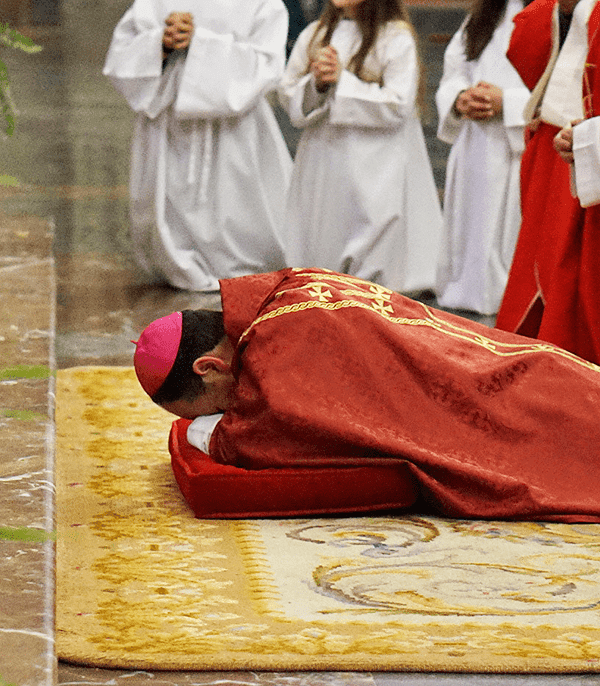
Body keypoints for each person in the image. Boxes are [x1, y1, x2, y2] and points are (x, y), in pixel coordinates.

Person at [133, 267, 600, 521]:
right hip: (526, 364)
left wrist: (208, 435)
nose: (226, 411)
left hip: (513, 409)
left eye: (213, 405)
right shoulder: (285, 289)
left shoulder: (280, 358)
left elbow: (268, 436)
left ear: (210, 367)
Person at [103, 0, 292, 292]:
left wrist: (202, 44)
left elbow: (267, 63)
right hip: (170, 117)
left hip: (233, 129)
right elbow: (122, 51)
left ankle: (239, 262)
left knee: (234, 198)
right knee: (173, 200)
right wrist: (160, 44)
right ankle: (176, 259)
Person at [277, 0, 442, 293]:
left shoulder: (395, 36)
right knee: (325, 232)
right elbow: (289, 95)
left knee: (371, 227)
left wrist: (343, 81)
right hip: (324, 156)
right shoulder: (315, 33)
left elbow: (398, 105)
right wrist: (318, 84)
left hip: (378, 162)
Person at [495, 0, 600, 363]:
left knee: (577, 267)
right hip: (563, 143)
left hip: (585, 143)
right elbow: (526, 40)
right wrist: (566, 10)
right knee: (548, 257)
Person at [435, 0, 530, 315]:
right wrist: (461, 97)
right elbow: (454, 71)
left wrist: (509, 102)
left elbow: (561, 84)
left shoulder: (553, 12)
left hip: (519, 145)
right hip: (475, 142)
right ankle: (465, 290)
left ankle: (508, 299)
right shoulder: (485, 14)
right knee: (471, 224)